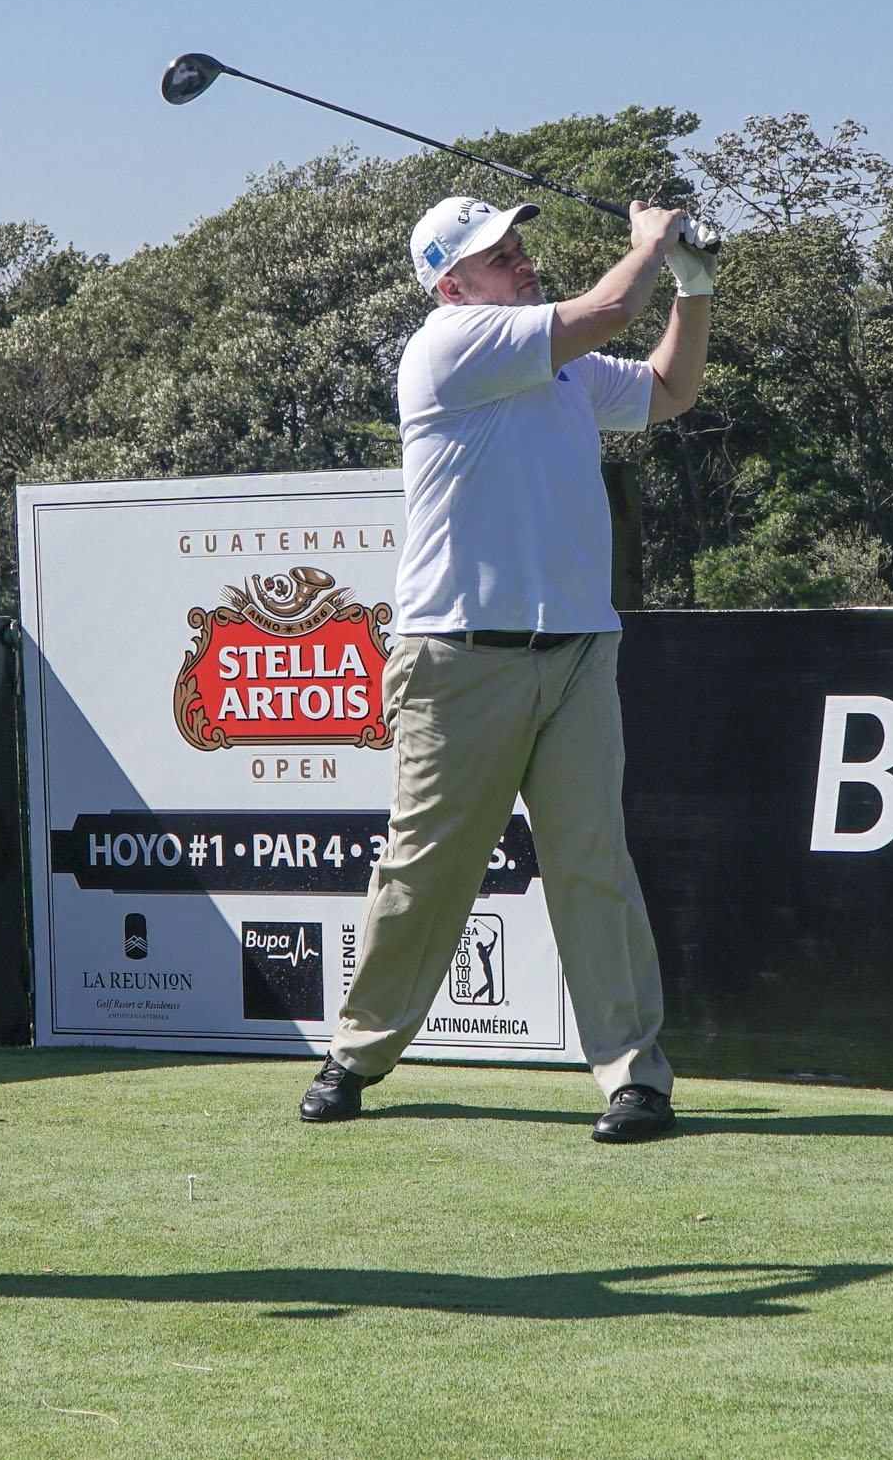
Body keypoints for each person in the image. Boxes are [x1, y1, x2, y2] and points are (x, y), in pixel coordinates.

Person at [299, 193, 712, 1142]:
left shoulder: (558, 368)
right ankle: (357, 1052)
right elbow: (610, 309)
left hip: (575, 651)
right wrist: (649, 247)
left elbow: (665, 392)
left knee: (593, 865)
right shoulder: (447, 347)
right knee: (425, 869)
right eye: (496, 255)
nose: (520, 260)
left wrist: (695, 289)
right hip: (458, 656)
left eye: (518, 245)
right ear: (452, 284)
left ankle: (634, 1077)